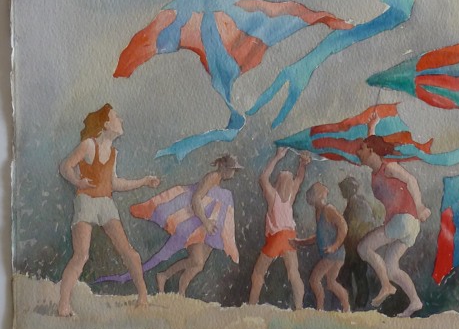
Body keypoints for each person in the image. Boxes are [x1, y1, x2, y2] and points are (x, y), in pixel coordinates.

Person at [58, 104, 160, 317]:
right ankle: (63, 305)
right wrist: (77, 181)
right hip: (86, 201)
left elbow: (114, 184)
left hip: (106, 203)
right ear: (106, 124)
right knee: (81, 255)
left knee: (129, 252)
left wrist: (143, 181)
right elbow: (65, 166)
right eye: (116, 117)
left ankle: (143, 296)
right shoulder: (88, 145)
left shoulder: (113, 153)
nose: (121, 120)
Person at [356, 135, 430, 317]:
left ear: (371, 151)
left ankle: (386, 286)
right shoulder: (376, 171)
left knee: (363, 248)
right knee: (391, 268)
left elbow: (411, 180)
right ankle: (415, 301)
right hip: (408, 225)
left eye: (361, 148)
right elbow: (372, 140)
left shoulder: (388, 167)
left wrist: (420, 206)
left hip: (404, 220)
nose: (357, 152)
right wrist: (372, 126)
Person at [155, 154, 243, 296]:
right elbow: (196, 199)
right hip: (196, 222)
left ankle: (181, 292)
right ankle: (164, 275)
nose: (233, 173)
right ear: (222, 166)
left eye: (234, 170)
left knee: (198, 265)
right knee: (196, 260)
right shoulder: (212, 177)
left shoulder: (218, 182)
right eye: (231, 169)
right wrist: (206, 222)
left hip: (206, 227)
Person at [248, 147, 310, 309]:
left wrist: (278, 157)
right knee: (294, 273)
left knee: (258, 273)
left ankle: (251, 305)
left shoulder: (273, 196)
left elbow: (263, 178)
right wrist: (302, 164)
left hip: (276, 238)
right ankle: (299, 307)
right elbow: (299, 178)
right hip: (290, 237)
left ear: (277, 182)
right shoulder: (291, 196)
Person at [296, 181, 350, 312]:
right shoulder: (319, 212)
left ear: (320, 196)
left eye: (313, 195)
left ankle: (320, 308)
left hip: (333, 254)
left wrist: (334, 246)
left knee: (314, 280)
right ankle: (346, 308)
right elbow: (319, 236)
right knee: (331, 283)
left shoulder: (328, 210)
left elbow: (343, 227)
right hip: (331, 254)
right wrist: (300, 242)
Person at [338, 176, 375, 309]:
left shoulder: (358, 204)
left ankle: (357, 304)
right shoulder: (356, 203)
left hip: (356, 247)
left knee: (356, 275)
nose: (342, 191)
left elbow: (365, 225)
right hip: (353, 247)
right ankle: (355, 303)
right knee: (354, 275)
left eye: (343, 189)